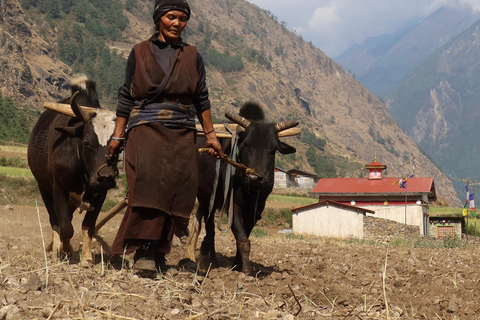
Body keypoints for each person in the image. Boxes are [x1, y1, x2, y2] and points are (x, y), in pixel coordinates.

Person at [108, 0, 223, 272]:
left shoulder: (193, 56)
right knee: (148, 186)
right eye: (172, 17)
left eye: (183, 19)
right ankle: (142, 252)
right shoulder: (139, 52)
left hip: (183, 130)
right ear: (159, 18)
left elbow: (201, 99)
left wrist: (211, 135)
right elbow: (126, 96)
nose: (177, 23)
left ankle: (159, 252)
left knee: (179, 189)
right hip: (146, 128)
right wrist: (117, 135)